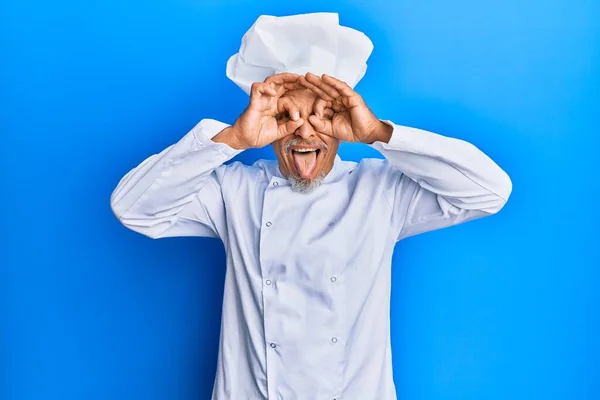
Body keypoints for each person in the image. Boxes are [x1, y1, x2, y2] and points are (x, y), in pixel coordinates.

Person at [110, 13, 512, 400]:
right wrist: (232, 138)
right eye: (288, 114)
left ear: (344, 118)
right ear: (266, 122)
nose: (304, 131)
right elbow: (134, 208)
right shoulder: (235, 192)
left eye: (322, 114)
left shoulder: (379, 191)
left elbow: (489, 191)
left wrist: (378, 134)